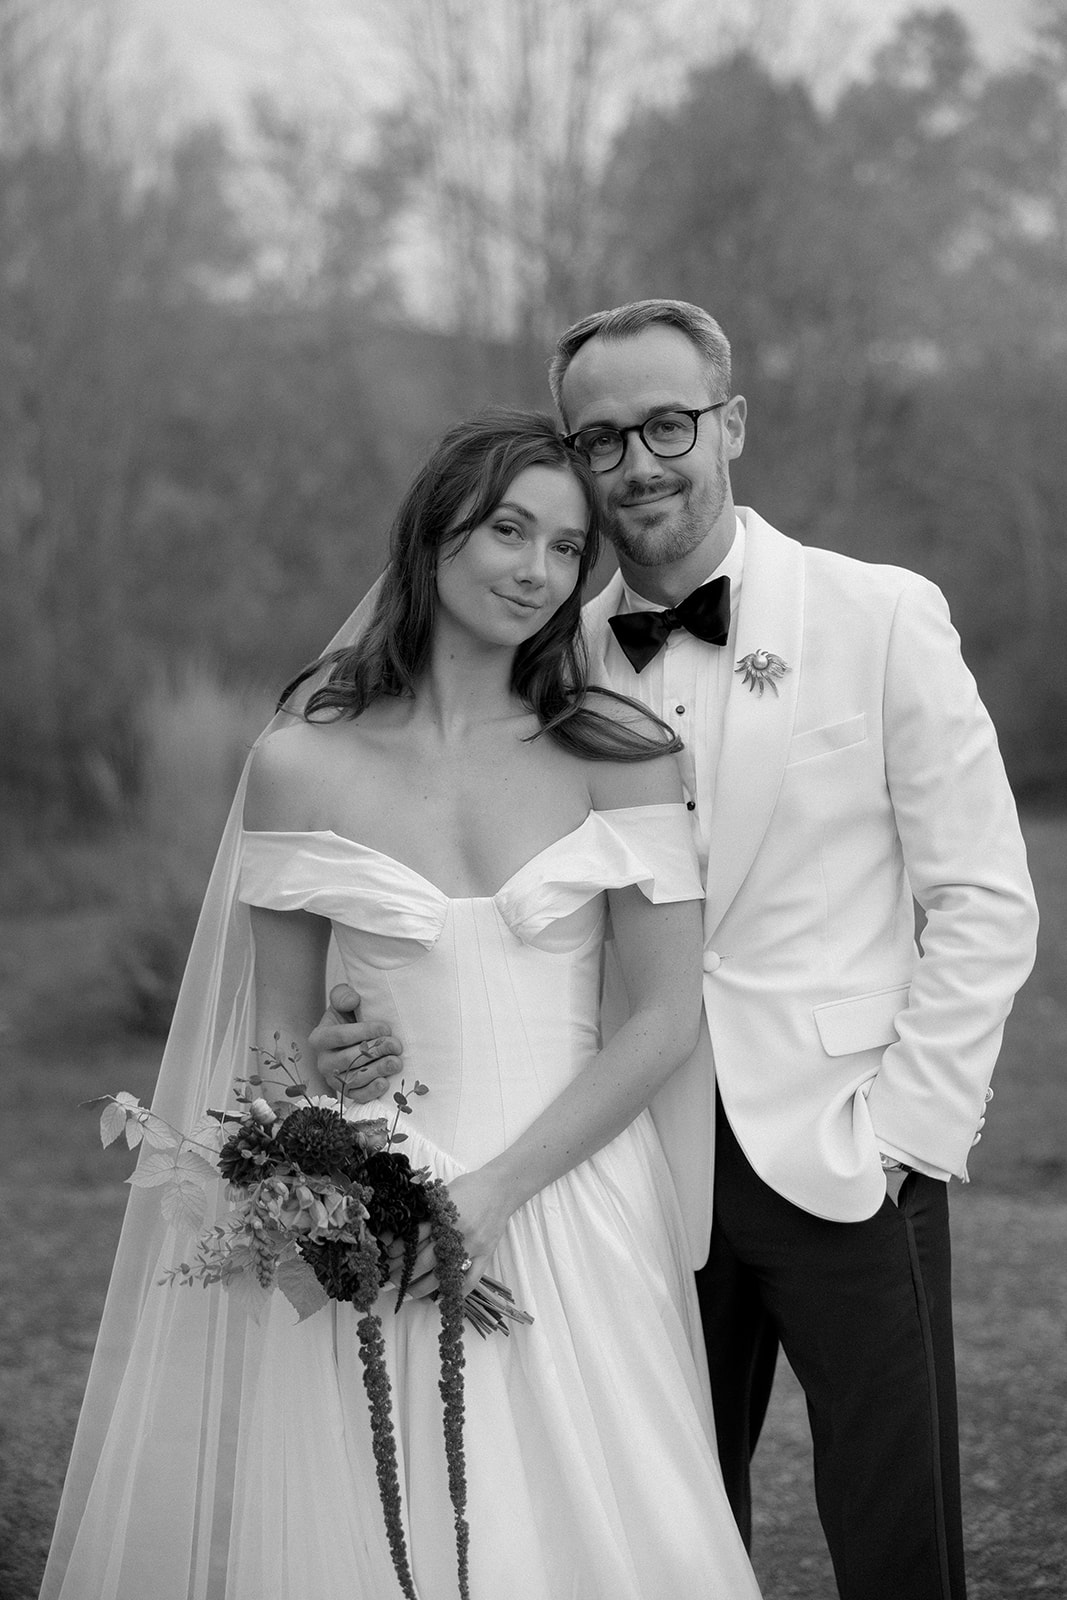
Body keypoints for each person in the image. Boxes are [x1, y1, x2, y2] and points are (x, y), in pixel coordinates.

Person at [317, 301, 1039, 1600]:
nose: (638, 463)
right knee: (659, 1538)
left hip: (846, 1154)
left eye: (666, 425)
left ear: (728, 425)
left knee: (897, 1536)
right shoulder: (541, 661)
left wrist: (905, 1133)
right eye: (601, 438)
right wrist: (366, 1022)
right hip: (623, 1175)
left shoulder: (875, 615)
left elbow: (983, 900)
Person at [39, 409, 762, 1600]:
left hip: (569, 1199)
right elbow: (273, 1042)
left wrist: (490, 1192)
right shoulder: (298, 763)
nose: (536, 570)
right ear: (432, 536)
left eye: (566, 547)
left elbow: (661, 1020)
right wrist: (327, 1093)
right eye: (507, 530)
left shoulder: (620, 752)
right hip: (376, 1213)